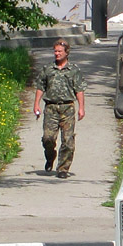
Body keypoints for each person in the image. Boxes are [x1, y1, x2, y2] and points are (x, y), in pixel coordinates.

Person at [33, 38, 86, 178]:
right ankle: (50, 157)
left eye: (60, 51)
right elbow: (40, 87)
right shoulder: (48, 69)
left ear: (66, 52)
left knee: (68, 141)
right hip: (51, 108)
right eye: (55, 51)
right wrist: (36, 104)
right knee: (48, 138)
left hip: (67, 108)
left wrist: (81, 108)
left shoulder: (74, 70)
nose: (57, 54)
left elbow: (79, 90)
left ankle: (63, 168)